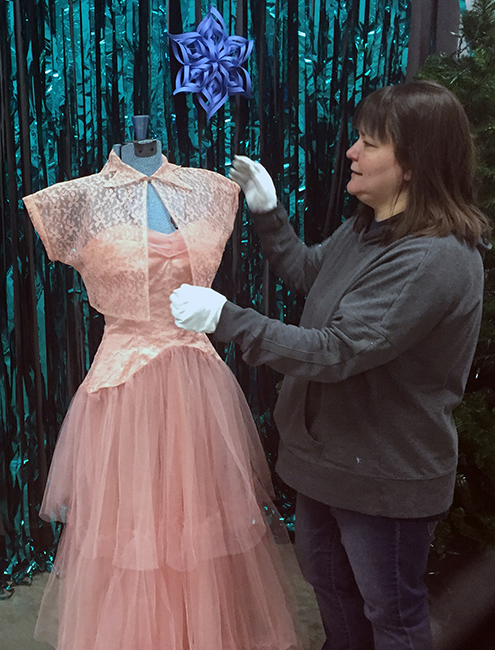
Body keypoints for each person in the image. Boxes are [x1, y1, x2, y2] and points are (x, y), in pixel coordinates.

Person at [169, 80, 491, 650]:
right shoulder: (370, 226)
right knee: (332, 592)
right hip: (323, 462)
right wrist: (268, 214)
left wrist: (229, 319)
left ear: (413, 163)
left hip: (384, 479)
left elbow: (336, 351)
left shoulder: (433, 258)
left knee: (391, 615)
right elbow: (307, 272)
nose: (352, 152)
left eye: (370, 143)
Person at [23, 143, 302, 649]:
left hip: (197, 386)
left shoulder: (213, 191)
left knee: (200, 525)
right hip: (123, 389)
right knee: (134, 531)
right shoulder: (75, 199)